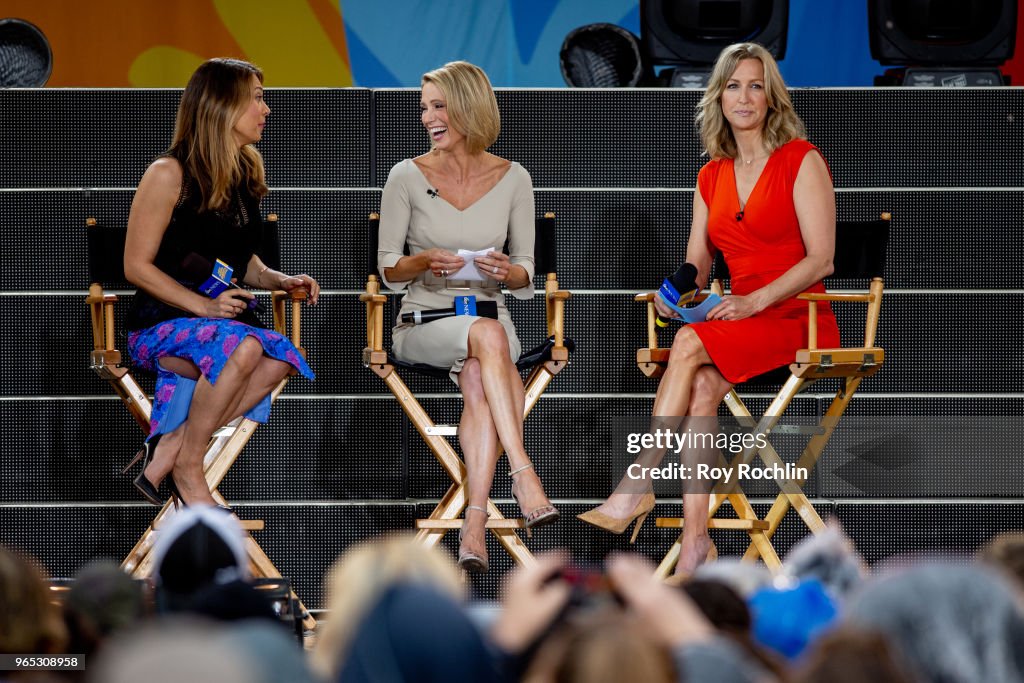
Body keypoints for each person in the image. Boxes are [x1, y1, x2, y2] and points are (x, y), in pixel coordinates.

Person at [578, 42, 840, 576]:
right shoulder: (711, 175)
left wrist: (754, 301)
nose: (744, 97)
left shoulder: (801, 159)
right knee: (698, 386)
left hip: (796, 317)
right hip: (737, 317)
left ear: (771, 97)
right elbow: (697, 263)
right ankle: (696, 544)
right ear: (718, 96)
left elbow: (822, 260)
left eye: (755, 85)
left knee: (689, 343)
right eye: (733, 85)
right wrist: (671, 294)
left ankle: (638, 480)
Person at [376, 60, 557, 572]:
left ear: (468, 107)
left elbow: (526, 272)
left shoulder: (513, 177)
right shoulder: (406, 176)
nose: (429, 118)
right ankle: (523, 474)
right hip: (424, 324)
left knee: (482, 369)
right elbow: (389, 271)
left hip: (492, 322)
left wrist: (507, 271)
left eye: (439, 106)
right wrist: (423, 260)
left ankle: (473, 523)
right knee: (488, 336)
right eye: (424, 108)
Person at [123, 58, 318, 508]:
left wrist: (277, 279)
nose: (266, 109)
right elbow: (136, 266)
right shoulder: (168, 173)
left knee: (284, 357)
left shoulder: (244, 172)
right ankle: (190, 468)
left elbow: (240, 261)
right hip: (161, 326)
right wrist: (203, 306)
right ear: (221, 106)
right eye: (256, 98)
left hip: (223, 329)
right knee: (246, 347)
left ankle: (172, 448)